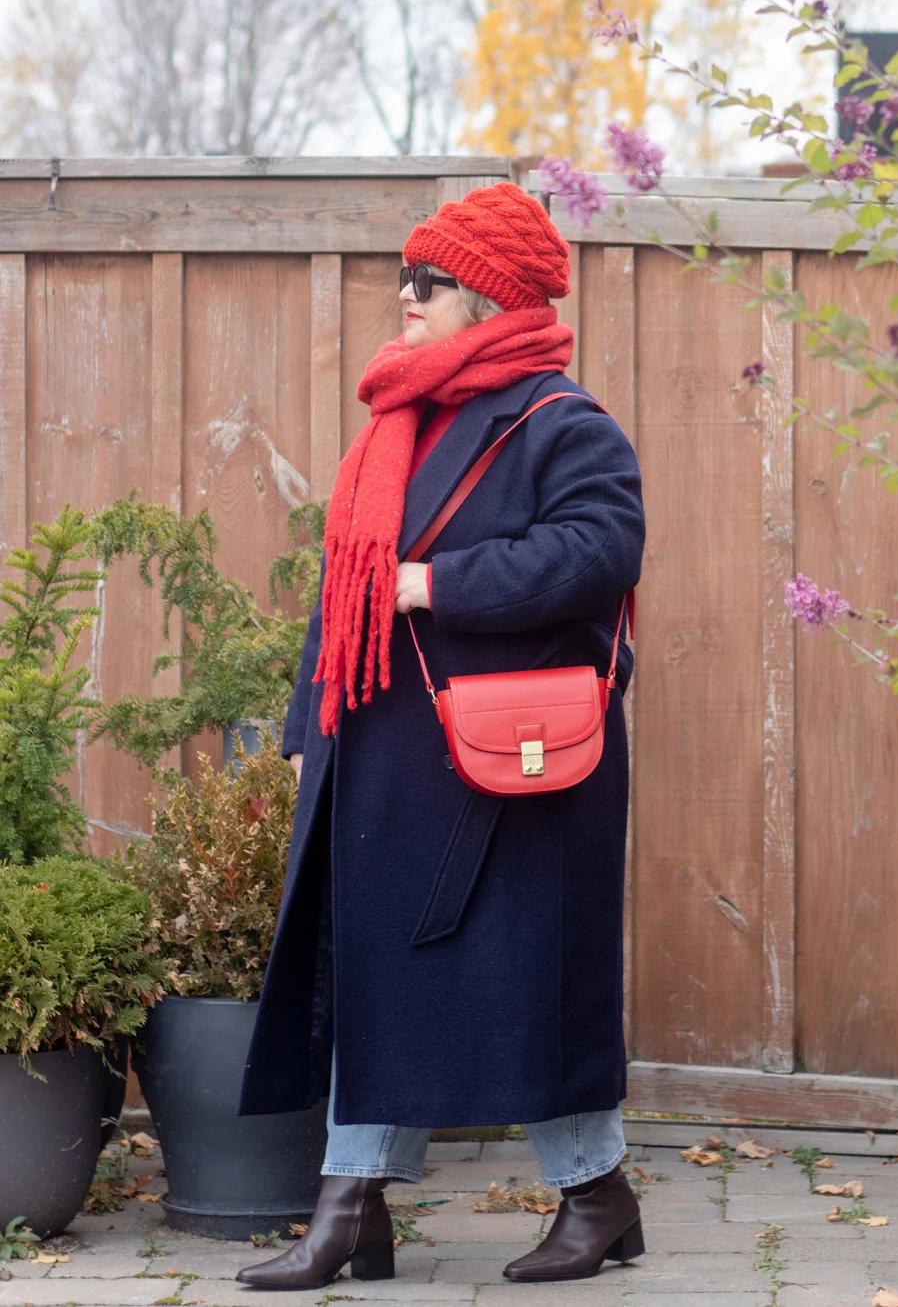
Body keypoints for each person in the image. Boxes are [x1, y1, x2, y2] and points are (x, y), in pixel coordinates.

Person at [236, 182, 646, 1289]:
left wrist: (437, 582)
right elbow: (345, 592)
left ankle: (595, 1194)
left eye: (428, 285)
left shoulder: (562, 422)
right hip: (378, 757)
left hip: (503, 766)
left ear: (490, 302)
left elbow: (598, 550)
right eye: (402, 280)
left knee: (523, 982)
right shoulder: (395, 423)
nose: (403, 301)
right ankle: (352, 1205)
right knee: (378, 977)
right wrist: (303, 727)